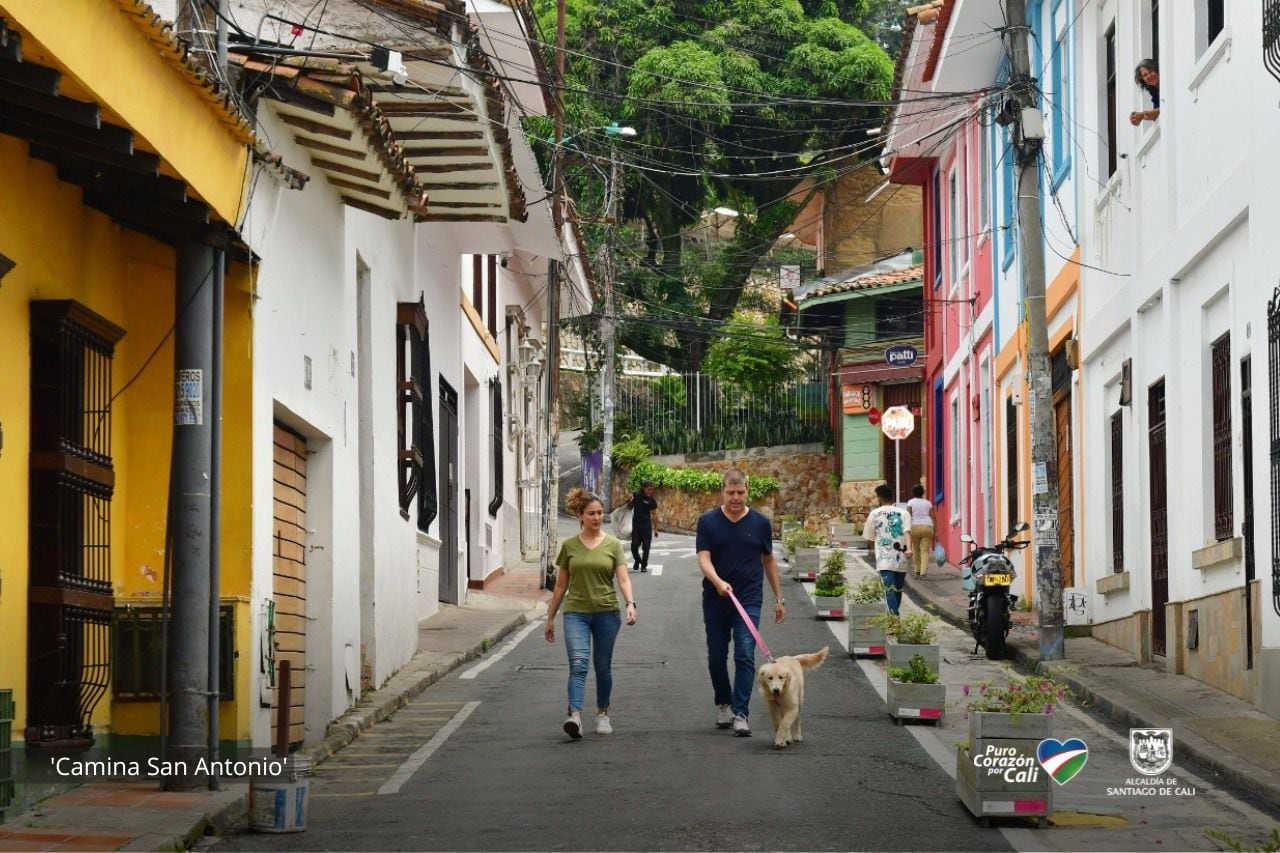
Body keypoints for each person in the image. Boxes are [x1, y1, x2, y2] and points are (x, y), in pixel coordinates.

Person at [696, 468, 785, 738]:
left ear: (748, 491)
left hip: (749, 599)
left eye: (740, 492)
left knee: (745, 653)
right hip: (716, 600)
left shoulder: (760, 523)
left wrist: (779, 598)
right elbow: (703, 558)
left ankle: (740, 712)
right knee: (716, 657)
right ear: (722, 491)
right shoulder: (708, 521)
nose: (735, 498)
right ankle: (723, 703)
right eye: (730, 492)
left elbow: (768, 560)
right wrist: (717, 581)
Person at [545, 488, 637, 739]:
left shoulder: (613, 545)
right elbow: (561, 586)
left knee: (603, 666)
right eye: (591, 513)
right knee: (578, 663)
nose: (597, 518)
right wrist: (550, 617)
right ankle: (574, 716)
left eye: (599, 513)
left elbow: (623, 579)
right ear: (580, 516)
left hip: (607, 613)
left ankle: (602, 713)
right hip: (576, 613)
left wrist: (630, 603)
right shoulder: (569, 546)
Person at [862, 483, 912, 616]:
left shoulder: (874, 514)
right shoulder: (904, 513)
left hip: (884, 559)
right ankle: (894, 619)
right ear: (892, 497)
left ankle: (893, 620)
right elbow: (907, 532)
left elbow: (869, 538)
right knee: (897, 590)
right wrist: (909, 549)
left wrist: (875, 549)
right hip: (901, 558)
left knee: (890, 590)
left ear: (879, 497)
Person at [626, 480, 660, 572]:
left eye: (652, 489)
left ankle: (644, 566)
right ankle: (638, 560)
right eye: (649, 489)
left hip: (646, 526)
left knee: (646, 547)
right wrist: (630, 501)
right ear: (643, 489)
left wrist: (656, 529)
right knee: (634, 546)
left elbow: (654, 514)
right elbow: (629, 507)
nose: (651, 491)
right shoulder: (636, 495)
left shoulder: (652, 500)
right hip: (636, 526)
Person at [905, 484, 937, 579]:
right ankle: (923, 573)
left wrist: (906, 529)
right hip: (927, 526)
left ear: (913, 493)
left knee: (915, 549)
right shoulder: (928, 503)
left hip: (914, 526)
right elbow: (933, 517)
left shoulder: (910, 502)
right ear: (923, 493)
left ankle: (917, 570)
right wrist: (936, 530)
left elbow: (908, 516)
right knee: (925, 550)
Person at [1130, 58, 1160, 126]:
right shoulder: (1154, 91)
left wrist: (1143, 115)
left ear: (1157, 70)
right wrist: (1139, 117)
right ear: (1142, 79)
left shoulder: (1166, 85)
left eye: (1151, 71)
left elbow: (1164, 108)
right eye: (1145, 75)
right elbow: (1156, 113)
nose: (1149, 76)